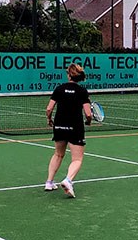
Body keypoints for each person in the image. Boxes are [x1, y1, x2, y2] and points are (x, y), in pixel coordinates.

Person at [44, 63, 93, 198]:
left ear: (69, 75)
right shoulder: (82, 91)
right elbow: (88, 114)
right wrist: (89, 121)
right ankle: (68, 180)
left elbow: (49, 108)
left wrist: (49, 119)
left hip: (59, 126)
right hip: (75, 127)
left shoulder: (59, 89)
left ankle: (49, 182)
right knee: (77, 159)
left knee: (58, 154)